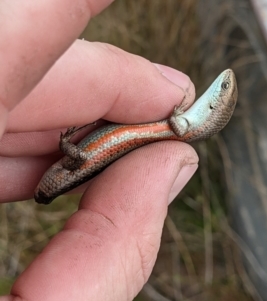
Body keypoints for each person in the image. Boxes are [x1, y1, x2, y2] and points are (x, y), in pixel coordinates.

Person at [0, 1, 199, 300]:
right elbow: (76, 158)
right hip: (129, 136)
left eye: (44, 191)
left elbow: (77, 157)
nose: (42, 188)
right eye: (45, 191)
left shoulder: (69, 168)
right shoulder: (69, 167)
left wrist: (65, 143)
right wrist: (64, 144)